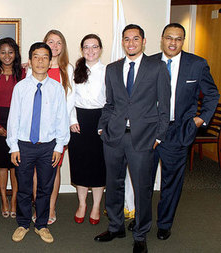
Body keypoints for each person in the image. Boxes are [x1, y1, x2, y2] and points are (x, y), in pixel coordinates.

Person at [128, 23, 219, 241]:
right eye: (169, 37)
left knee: (172, 182)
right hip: (149, 132)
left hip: (178, 132)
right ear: (162, 39)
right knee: (143, 181)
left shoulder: (197, 65)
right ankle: (141, 218)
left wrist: (199, 120)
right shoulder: (147, 63)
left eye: (178, 39)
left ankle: (165, 224)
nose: (173, 42)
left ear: (183, 41)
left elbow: (212, 94)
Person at [94, 24, 170, 253]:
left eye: (135, 39)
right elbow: (109, 103)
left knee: (142, 188)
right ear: (122, 42)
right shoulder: (113, 69)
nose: (131, 43)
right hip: (114, 137)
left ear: (144, 41)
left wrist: (159, 135)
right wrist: (101, 128)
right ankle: (116, 226)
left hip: (144, 139)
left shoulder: (157, 67)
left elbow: (164, 106)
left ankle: (140, 233)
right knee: (114, 185)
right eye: (126, 39)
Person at [8, 42, 70, 244]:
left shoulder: (57, 89)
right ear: (30, 60)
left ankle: (41, 224)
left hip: (48, 146)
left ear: (50, 61)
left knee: (45, 187)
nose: (41, 61)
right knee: (24, 188)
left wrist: (59, 146)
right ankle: (23, 223)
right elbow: (13, 119)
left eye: (45, 57)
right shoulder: (20, 88)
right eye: (36, 57)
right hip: (24, 145)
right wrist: (14, 146)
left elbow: (62, 118)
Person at [30, 30, 74, 225]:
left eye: (58, 43)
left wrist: (62, 130)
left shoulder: (68, 70)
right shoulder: (34, 68)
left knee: (52, 171)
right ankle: (38, 206)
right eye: (50, 42)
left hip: (57, 130)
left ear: (62, 47)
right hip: (35, 129)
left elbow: (70, 101)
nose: (55, 46)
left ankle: (50, 208)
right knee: (35, 172)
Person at [0, 38, 25, 219]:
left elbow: (27, 101)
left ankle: (14, 200)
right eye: (3, 52)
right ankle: (4, 199)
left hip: (18, 120)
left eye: (10, 52)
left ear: (15, 53)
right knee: (1, 165)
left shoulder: (23, 73)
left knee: (15, 164)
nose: (7, 56)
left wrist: (17, 126)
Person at [67, 34, 106, 225]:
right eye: (86, 47)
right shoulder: (74, 71)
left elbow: (111, 102)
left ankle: (96, 206)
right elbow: (70, 98)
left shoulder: (108, 71)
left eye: (95, 47)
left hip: (100, 121)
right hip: (79, 121)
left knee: (99, 165)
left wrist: (104, 124)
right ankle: (82, 204)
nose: (90, 51)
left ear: (100, 49)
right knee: (80, 164)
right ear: (82, 50)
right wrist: (72, 119)